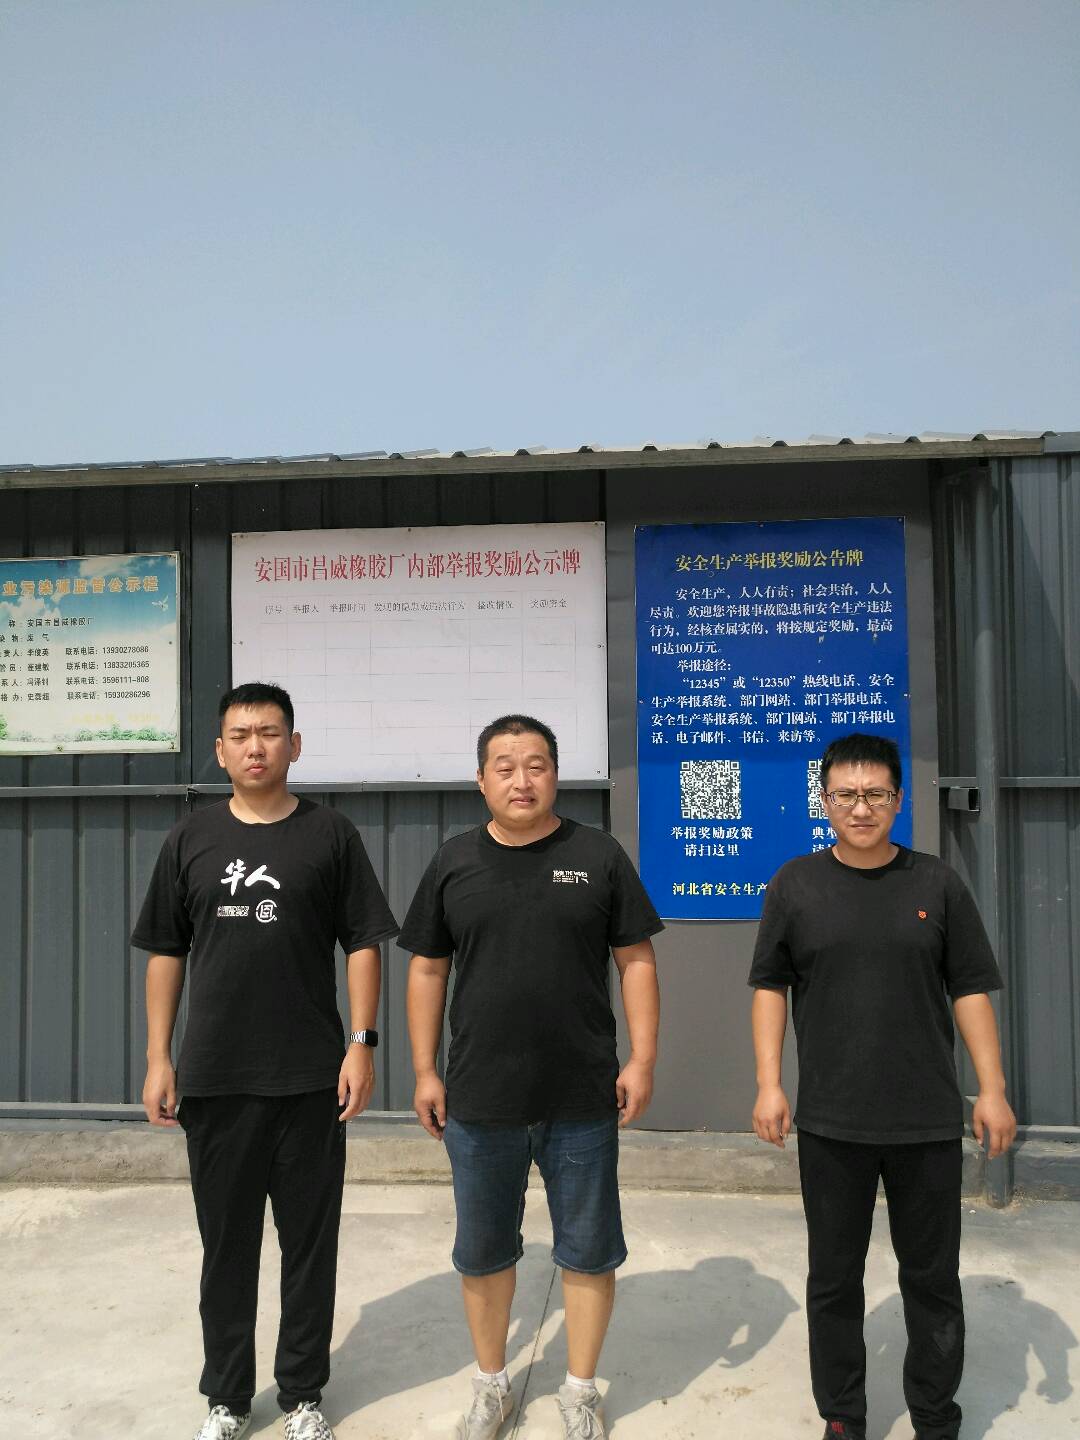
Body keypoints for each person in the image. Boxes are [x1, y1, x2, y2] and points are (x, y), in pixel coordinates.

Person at [133, 682, 397, 1440]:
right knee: (227, 1248)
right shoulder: (189, 839)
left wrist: (361, 1044)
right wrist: (158, 1057)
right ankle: (226, 1397)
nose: (256, 747)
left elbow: (364, 943)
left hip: (311, 1078)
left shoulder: (331, 835)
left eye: (271, 733)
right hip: (216, 1078)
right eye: (241, 735)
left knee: (310, 1246)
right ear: (220, 751)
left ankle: (303, 1394)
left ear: (295, 746)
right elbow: (165, 952)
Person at [399, 714, 662, 1440]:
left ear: (556, 774)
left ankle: (580, 1391)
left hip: (582, 1095)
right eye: (506, 767)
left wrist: (642, 1059)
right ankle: (491, 1384)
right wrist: (423, 1070)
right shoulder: (454, 861)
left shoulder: (598, 855)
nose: (522, 780)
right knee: (483, 1251)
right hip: (480, 1097)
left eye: (536, 764)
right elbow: (427, 969)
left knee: (588, 1248)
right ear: (482, 780)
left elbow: (636, 960)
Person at [748, 732, 1016, 1440]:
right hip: (831, 1120)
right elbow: (770, 986)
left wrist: (991, 1089)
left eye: (875, 794)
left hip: (925, 1119)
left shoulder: (936, 884)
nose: (860, 808)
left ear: (898, 800)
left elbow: (970, 989)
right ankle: (843, 1414)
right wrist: (769, 1083)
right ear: (824, 800)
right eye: (845, 795)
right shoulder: (795, 885)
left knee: (931, 1279)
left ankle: (934, 1416)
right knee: (834, 1278)